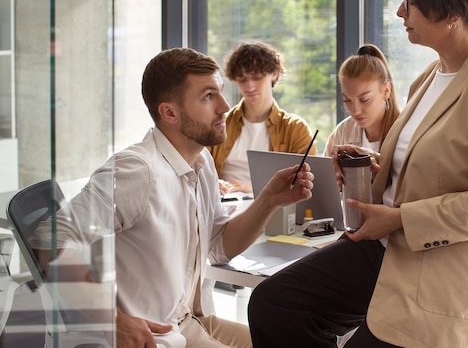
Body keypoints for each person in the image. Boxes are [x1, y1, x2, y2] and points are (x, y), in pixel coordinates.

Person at [248, 0, 468, 348]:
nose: (401, 13)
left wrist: (400, 218)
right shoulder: (429, 77)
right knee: (273, 304)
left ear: (451, 13)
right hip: (384, 248)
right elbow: (421, 166)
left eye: (411, 2)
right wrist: (371, 166)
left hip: (439, 267)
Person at [31, 47, 314, 348]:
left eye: (219, 92)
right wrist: (111, 321)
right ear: (169, 113)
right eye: (208, 96)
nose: (225, 106)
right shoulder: (137, 170)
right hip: (152, 337)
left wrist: (268, 199)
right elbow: (49, 239)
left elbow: (219, 246)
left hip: (189, 322)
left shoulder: (201, 163)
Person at [208, 41, 317, 196]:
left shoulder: (295, 128)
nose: (249, 86)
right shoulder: (219, 123)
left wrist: (252, 186)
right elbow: (197, 168)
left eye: (257, 77)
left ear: (274, 73)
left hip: (272, 208)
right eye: (242, 79)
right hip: (224, 205)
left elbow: (308, 184)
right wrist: (212, 183)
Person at [323, 43, 401, 156]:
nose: (355, 111)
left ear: (386, 91)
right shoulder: (343, 131)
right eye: (347, 100)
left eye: (364, 100)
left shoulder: (406, 131)